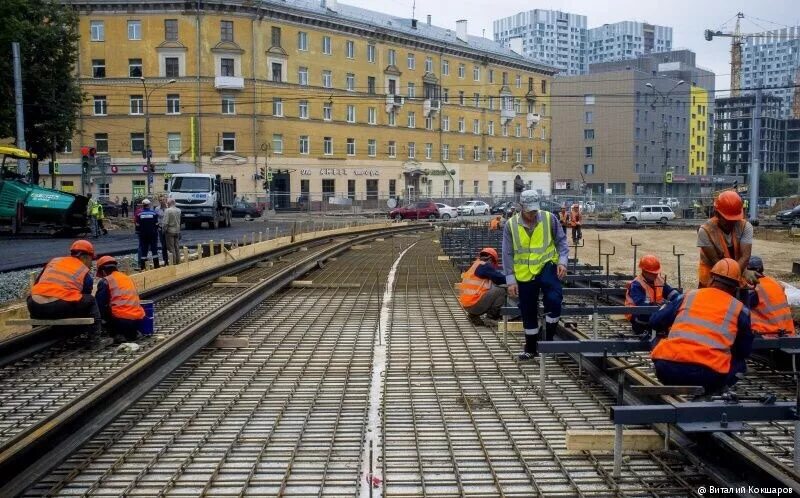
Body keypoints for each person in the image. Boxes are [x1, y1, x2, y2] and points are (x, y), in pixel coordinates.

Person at [650, 258, 753, 394]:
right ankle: (713, 393)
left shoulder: (688, 296)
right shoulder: (740, 309)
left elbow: (655, 322)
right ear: (736, 287)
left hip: (667, 369)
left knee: (656, 335)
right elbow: (744, 350)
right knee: (740, 363)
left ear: (711, 279)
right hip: (707, 377)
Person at [502, 190, 569, 360]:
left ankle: (547, 339)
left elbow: (561, 241)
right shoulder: (511, 225)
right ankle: (530, 348)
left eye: (534, 210)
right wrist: (510, 280)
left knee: (554, 300)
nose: (532, 214)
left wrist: (562, 261)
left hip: (547, 266)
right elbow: (507, 254)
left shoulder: (548, 218)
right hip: (525, 274)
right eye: (529, 211)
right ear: (521, 207)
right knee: (528, 310)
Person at [27, 240, 106, 346]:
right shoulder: (82, 271)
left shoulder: (54, 261)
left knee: (36, 295)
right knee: (90, 300)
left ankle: (37, 336)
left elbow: (37, 284)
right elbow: (83, 300)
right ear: (85, 257)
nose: (91, 264)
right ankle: (95, 340)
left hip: (34, 305)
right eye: (91, 259)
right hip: (58, 307)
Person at [697, 191, 754, 288]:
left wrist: (741, 274)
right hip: (712, 275)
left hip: (736, 273)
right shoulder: (705, 231)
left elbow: (745, 257)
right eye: (728, 219)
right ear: (717, 214)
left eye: (734, 219)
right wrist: (735, 278)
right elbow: (716, 262)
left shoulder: (745, 227)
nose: (732, 223)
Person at [625, 255, 680, 337]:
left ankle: (660, 329)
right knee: (646, 315)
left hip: (655, 312)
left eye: (656, 273)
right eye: (652, 273)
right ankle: (646, 331)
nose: (655, 275)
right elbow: (642, 305)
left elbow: (670, 293)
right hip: (638, 316)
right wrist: (663, 308)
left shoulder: (658, 280)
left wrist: (680, 299)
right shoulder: (636, 284)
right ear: (644, 271)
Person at [95, 255, 145, 343]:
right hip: (137, 320)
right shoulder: (127, 278)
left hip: (121, 322)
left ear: (103, 271)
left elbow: (100, 305)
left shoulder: (106, 281)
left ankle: (114, 333)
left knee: (99, 308)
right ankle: (131, 333)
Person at [745, 256, 795, 336]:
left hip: (768, 335)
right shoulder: (775, 283)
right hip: (788, 333)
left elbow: (739, 310)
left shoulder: (755, 289)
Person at [459, 248, 507, 325]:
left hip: (467, 304)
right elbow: (500, 279)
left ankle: (473, 316)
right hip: (474, 304)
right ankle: (491, 318)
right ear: (491, 258)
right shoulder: (485, 266)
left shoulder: (476, 265)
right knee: (501, 291)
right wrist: (513, 279)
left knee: (492, 287)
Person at [135, 198, 160, 270]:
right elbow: (157, 224)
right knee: (154, 249)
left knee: (144, 250)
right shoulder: (154, 213)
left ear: (143, 205)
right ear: (149, 205)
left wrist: (139, 232)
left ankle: (142, 267)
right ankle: (156, 266)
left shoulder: (139, 214)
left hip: (143, 235)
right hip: (153, 234)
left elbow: (137, 225)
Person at [163, 199, 182, 265]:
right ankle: (178, 261)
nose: (167, 204)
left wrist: (163, 231)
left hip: (170, 231)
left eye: (167, 203)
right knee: (176, 247)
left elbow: (165, 223)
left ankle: (173, 263)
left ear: (169, 203)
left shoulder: (168, 211)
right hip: (177, 231)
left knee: (171, 248)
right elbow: (179, 222)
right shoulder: (179, 210)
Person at [155, 196, 169, 265]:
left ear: (165, 200)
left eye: (163, 200)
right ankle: (165, 260)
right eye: (160, 200)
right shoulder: (157, 209)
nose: (162, 201)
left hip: (168, 229)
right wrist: (157, 227)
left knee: (169, 245)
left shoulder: (168, 208)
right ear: (159, 201)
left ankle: (173, 259)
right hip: (161, 229)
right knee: (163, 245)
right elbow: (155, 218)